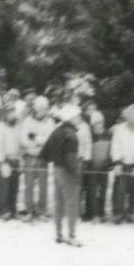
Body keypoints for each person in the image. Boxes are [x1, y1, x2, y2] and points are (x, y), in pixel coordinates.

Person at [40, 105, 84, 246]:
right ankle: (71, 235)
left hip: (57, 170)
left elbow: (44, 152)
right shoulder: (71, 135)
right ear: (71, 118)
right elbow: (71, 157)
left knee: (59, 203)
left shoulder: (56, 131)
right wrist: (76, 173)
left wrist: (50, 161)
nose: (80, 119)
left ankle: (58, 234)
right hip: (67, 171)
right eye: (78, 116)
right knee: (72, 204)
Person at [20, 96, 56, 221]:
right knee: (29, 184)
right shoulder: (27, 121)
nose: (43, 111)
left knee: (43, 185)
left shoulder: (50, 122)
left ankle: (42, 210)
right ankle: (29, 209)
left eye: (45, 108)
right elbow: (23, 140)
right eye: (41, 108)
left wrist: (35, 138)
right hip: (30, 155)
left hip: (43, 157)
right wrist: (37, 142)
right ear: (35, 108)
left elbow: (50, 140)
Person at [111, 104, 134, 223]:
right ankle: (118, 213)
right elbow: (115, 146)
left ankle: (130, 213)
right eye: (132, 114)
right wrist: (117, 162)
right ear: (127, 115)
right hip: (122, 163)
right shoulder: (119, 129)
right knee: (120, 188)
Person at [0, 107, 22, 221]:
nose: (12, 116)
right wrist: (2, 161)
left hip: (15, 159)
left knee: (14, 186)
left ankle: (12, 208)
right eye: (10, 114)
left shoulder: (17, 127)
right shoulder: (0, 128)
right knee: (3, 186)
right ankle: (3, 209)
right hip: (5, 159)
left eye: (14, 114)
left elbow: (19, 143)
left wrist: (19, 157)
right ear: (5, 115)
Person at [88, 111, 111, 222]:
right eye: (96, 123)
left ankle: (101, 212)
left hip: (104, 166)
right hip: (92, 167)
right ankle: (94, 213)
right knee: (92, 191)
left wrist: (109, 162)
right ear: (92, 125)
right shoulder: (90, 136)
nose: (98, 125)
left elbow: (111, 150)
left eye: (100, 123)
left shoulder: (108, 135)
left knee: (103, 190)